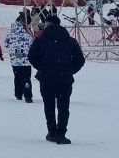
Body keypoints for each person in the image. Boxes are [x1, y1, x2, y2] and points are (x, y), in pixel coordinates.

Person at [27, 16, 85, 144]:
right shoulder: (70, 41)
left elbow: (31, 57)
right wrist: (69, 70)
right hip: (65, 79)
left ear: (47, 25)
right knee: (64, 106)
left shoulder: (40, 40)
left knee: (49, 106)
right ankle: (61, 133)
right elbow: (80, 60)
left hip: (46, 79)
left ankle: (52, 132)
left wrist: (42, 68)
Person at [4, 20, 34, 103]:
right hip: (26, 61)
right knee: (27, 78)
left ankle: (18, 93)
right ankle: (28, 95)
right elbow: (32, 44)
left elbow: (6, 45)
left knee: (17, 77)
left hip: (15, 61)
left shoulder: (10, 36)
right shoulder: (27, 36)